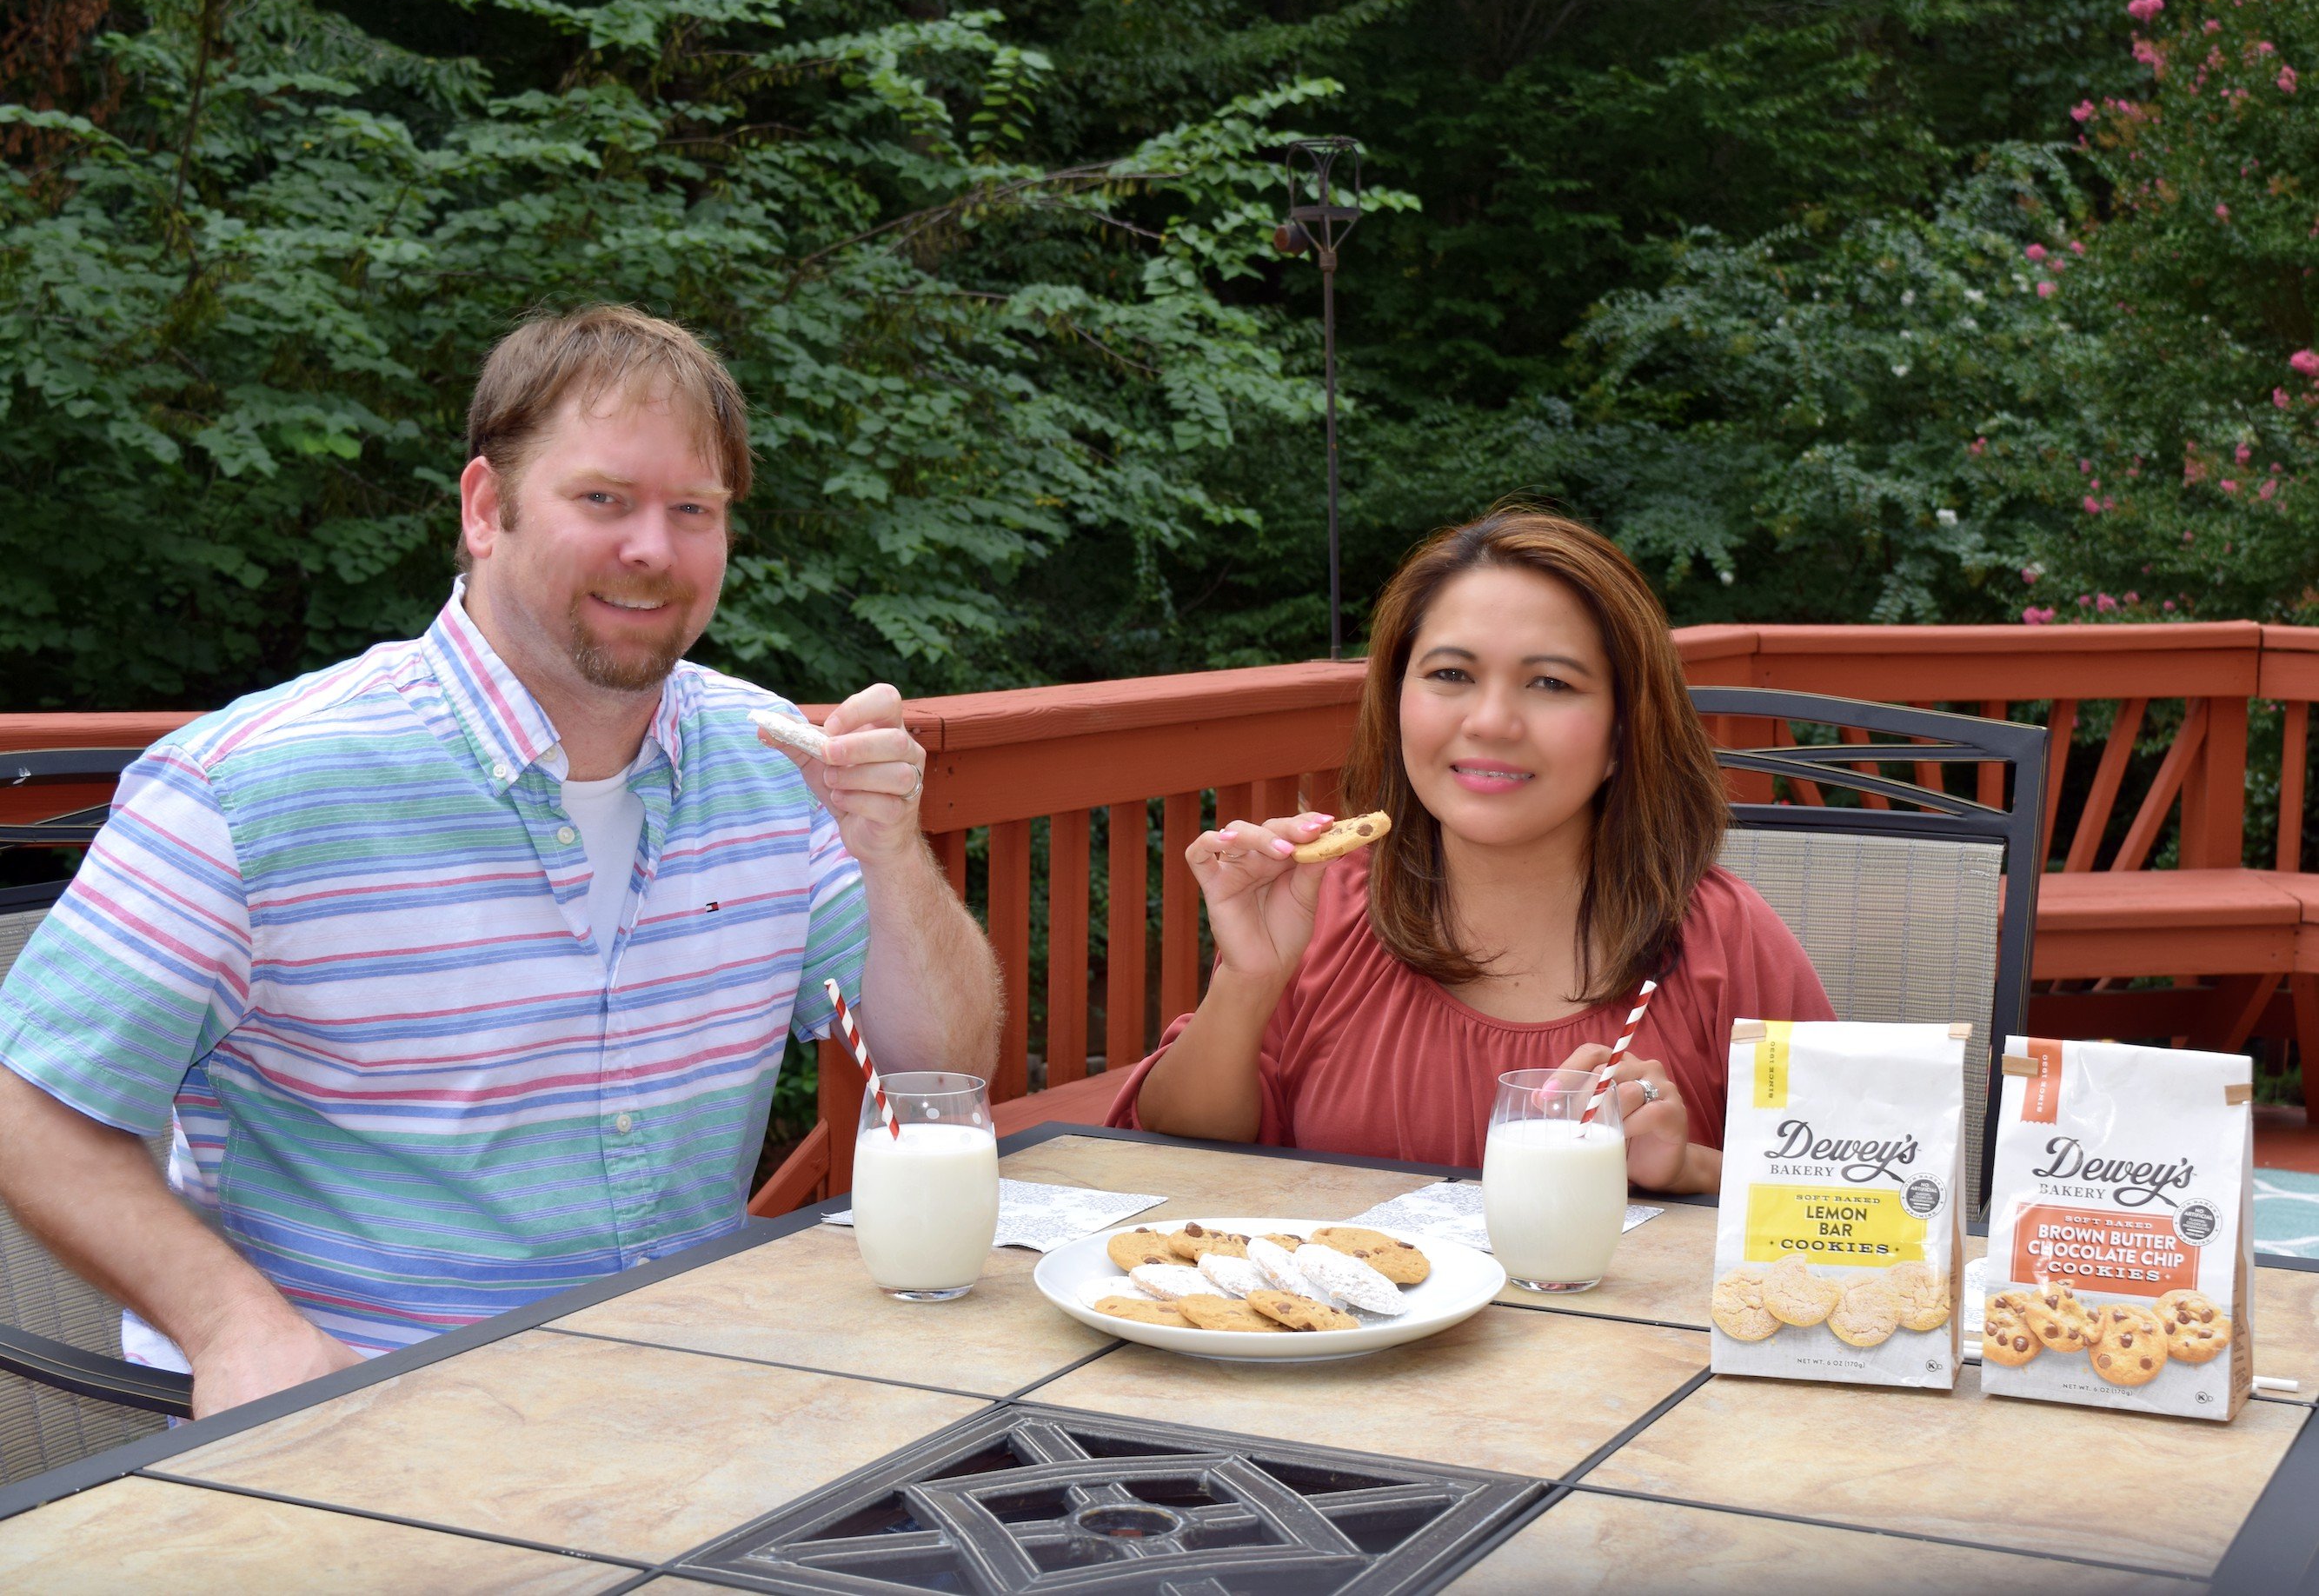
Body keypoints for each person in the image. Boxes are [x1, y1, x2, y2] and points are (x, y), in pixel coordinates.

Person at [0, 305, 1000, 1417]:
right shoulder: (253, 786)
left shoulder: (774, 760)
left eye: (694, 510)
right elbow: (27, 1105)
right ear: (487, 508)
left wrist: (891, 853)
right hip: (364, 1433)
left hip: (702, 1402)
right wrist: (236, 1325)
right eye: (603, 499)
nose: (652, 550)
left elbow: (943, 1068)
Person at [1108, 509, 1831, 1187]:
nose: (1490, 721)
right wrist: (1249, 980)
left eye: (1550, 682)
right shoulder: (1321, 905)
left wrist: (1690, 1171)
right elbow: (1173, 1143)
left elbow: (1866, 1197)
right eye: (1451, 675)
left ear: (1621, 733)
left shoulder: (1726, 944)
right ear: (1397, 702)